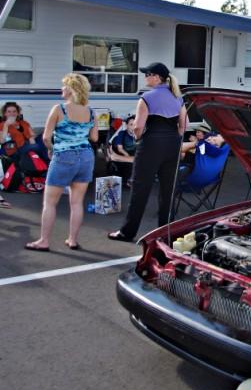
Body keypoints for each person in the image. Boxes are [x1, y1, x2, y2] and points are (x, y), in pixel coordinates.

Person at [108, 62, 187, 242]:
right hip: (172, 144)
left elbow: (138, 126)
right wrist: (174, 139)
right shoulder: (178, 97)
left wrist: (138, 139)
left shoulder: (147, 97)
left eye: (147, 74)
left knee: (140, 189)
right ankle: (165, 233)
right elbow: (184, 125)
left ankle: (127, 232)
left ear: (156, 77)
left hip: (151, 144)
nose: (145, 77)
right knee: (168, 190)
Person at [25, 74, 98, 251]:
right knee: (76, 202)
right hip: (86, 157)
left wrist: (51, 149)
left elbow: (46, 137)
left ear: (71, 89)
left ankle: (44, 241)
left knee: (50, 203)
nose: (61, 89)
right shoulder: (91, 112)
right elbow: (94, 137)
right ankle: (72, 240)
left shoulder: (59, 109)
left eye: (64, 86)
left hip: (64, 156)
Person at [108, 115, 136, 183]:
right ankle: (128, 179)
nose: (133, 127)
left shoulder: (138, 134)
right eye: (131, 125)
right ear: (126, 126)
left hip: (134, 154)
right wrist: (127, 156)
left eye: (135, 125)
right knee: (129, 164)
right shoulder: (122, 133)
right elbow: (120, 148)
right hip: (124, 153)